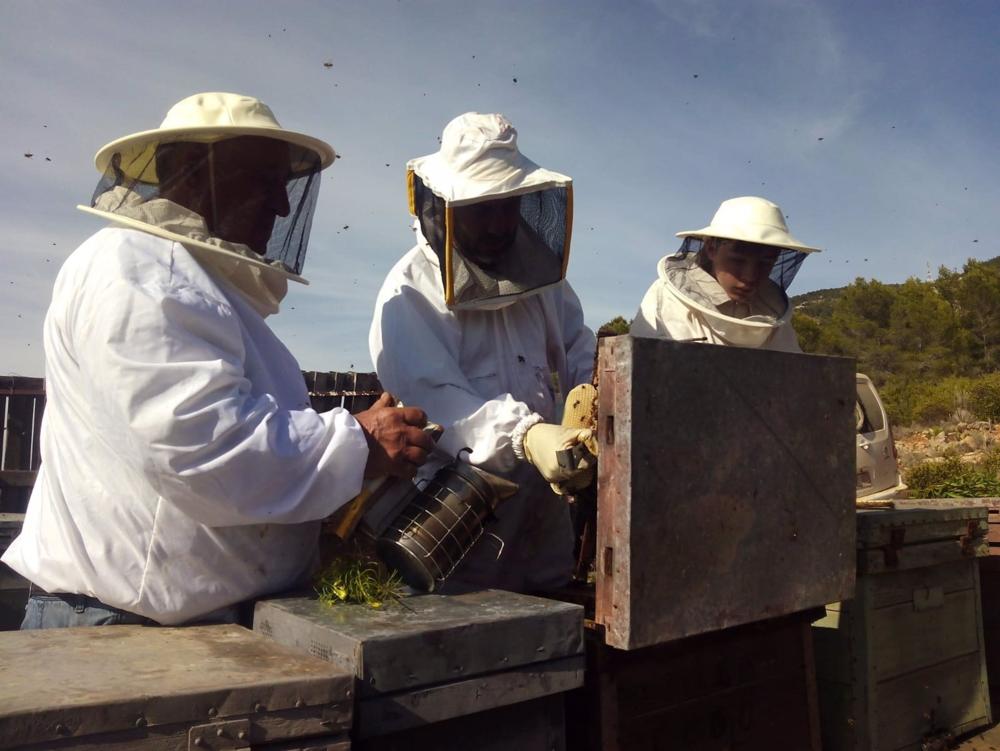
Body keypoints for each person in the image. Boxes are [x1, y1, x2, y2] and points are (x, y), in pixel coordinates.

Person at [2, 92, 434, 628]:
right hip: (122, 628)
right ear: (189, 168)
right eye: (263, 180)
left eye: (284, 185)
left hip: (175, 624)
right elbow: (202, 447)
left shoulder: (196, 284)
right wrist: (359, 441)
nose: (281, 206)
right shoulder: (139, 267)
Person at [369, 112, 596, 592]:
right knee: (464, 623)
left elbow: (578, 346)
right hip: (455, 513)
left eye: (506, 207)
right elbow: (434, 398)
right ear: (445, 206)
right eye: (481, 209)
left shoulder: (541, 278)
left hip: (544, 507)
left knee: (552, 613)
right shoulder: (410, 290)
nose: (497, 225)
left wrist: (588, 398)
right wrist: (526, 435)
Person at [630, 196, 820, 351]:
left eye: (765, 263)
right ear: (711, 248)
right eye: (738, 261)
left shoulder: (774, 312)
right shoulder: (666, 299)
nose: (750, 277)